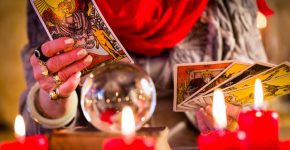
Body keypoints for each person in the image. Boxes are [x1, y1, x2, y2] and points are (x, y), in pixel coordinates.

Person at [21, 0, 268, 136]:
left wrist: (233, 124)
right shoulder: (56, 6)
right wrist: (55, 98)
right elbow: (39, 131)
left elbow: (255, 106)